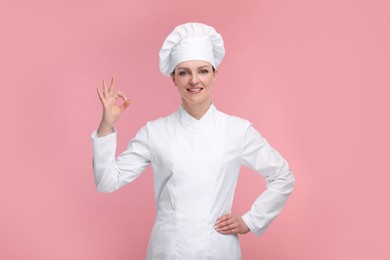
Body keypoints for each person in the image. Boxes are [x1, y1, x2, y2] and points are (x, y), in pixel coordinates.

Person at [91, 22, 295, 260]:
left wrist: (251, 220)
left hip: (219, 251)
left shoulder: (237, 130)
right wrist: (106, 125)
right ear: (173, 78)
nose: (194, 80)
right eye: (184, 72)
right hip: (167, 251)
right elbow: (107, 182)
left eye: (203, 71)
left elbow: (283, 176)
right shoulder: (155, 132)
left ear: (215, 74)